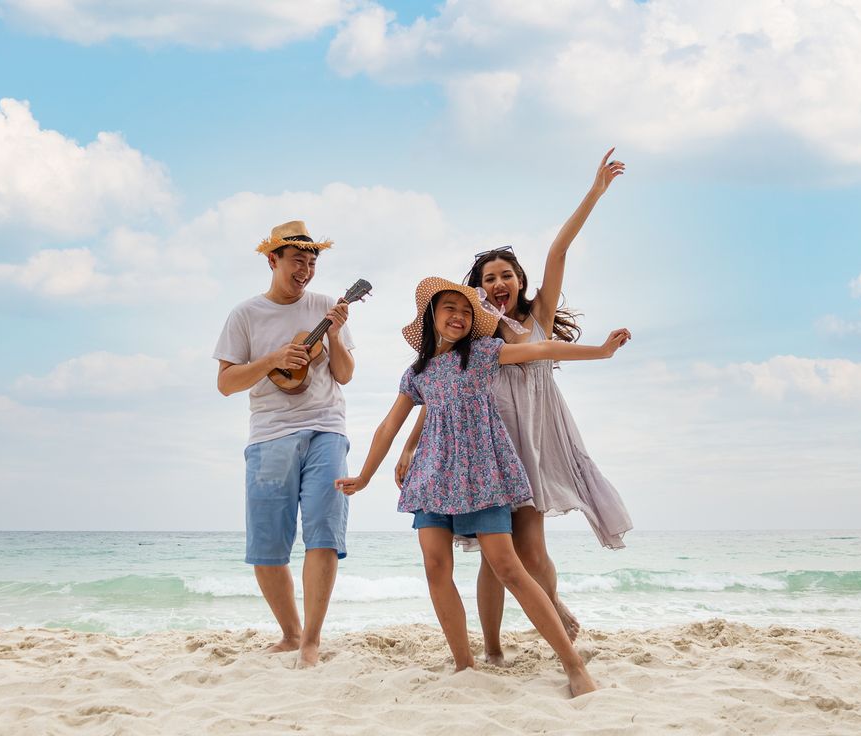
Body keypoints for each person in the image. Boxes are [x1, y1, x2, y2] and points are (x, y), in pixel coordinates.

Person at [335, 277, 630, 697]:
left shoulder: (484, 354)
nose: (457, 315)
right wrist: (364, 476)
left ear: (473, 321)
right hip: (432, 478)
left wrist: (601, 351)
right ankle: (464, 664)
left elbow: (542, 349)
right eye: (448, 308)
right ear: (431, 318)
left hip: (483, 476)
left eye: (465, 309)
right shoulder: (416, 373)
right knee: (436, 568)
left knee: (508, 568)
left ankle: (574, 666)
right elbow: (389, 425)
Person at [395, 149, 632, 665]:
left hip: (541, 438)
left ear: (520, 281)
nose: (498, 284)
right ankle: (497, 647)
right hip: (490, 448)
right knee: (495, 555)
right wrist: (411, 447)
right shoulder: (474, 341)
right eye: (488, 279)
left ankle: (555, 621)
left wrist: (595, 190)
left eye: (506, 275)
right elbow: (436, 397)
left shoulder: (538, 321)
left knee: (531, 551)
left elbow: (560, 248)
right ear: (477, 291)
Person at [213, 220, 355, 668]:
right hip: (269, 433)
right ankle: (291, 634)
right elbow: (225, 383)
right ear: (272, 260)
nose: (306, 271)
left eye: (312, 263)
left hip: (326, 427)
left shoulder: (327, 306)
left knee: (324, 532)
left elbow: (346, 375)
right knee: (268, 544)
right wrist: (273, 359)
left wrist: (332, 334)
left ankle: (311, 641)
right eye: (298, 261)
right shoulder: (245, 315)